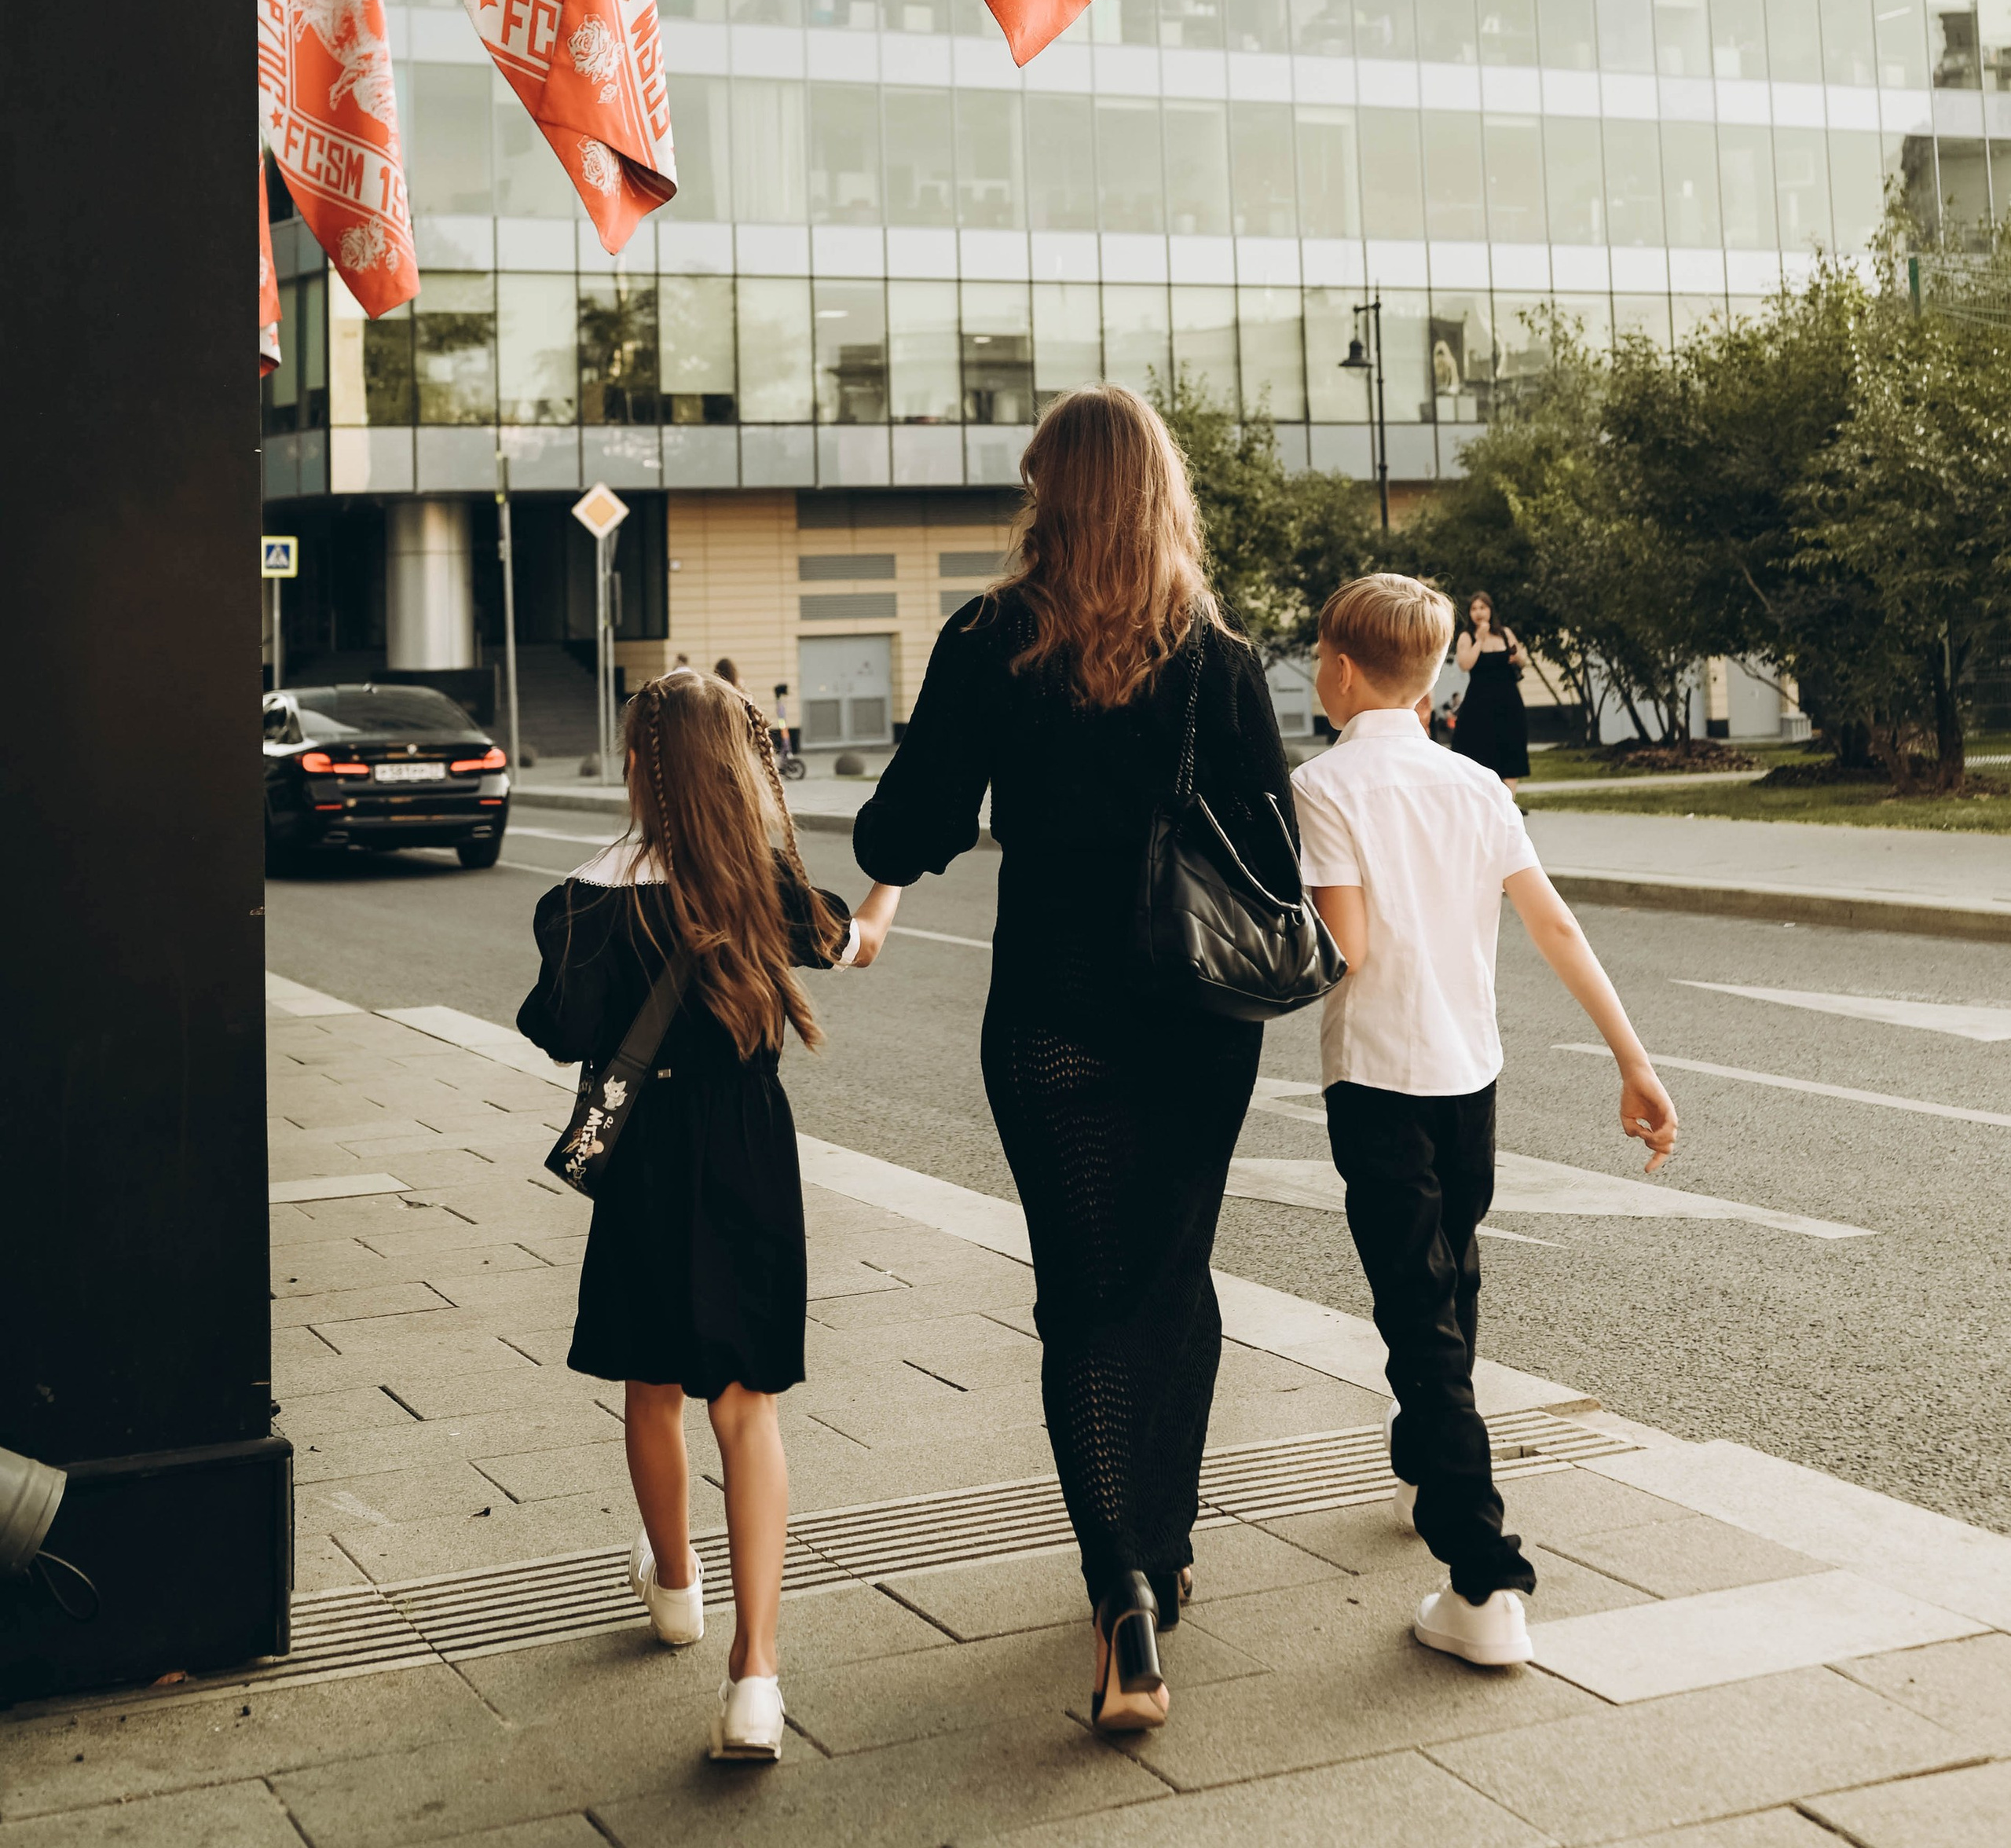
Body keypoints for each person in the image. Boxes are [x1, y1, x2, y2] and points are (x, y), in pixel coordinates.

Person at [852, 385, 1295, 1736]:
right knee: (1171, 1277)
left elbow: (909, 822)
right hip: (1198, 1024)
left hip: (1050, 1017)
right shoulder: (1219, 658)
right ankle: (1162, 1545)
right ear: (1163, 493)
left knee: (1080, 1301)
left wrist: (881, 862)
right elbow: (1273, 860)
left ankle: (1123, 1596)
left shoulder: (991, 640)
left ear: (1050, 492)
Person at [516, 669, 902, 1762]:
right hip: (743, 1143)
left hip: (642, 1155)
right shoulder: (761, 880)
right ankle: (756, 1678)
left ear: (639, 764)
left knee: (650, 1381)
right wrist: (893, 885)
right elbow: (855, 942)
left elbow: (556, 1025)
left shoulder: (585, 892)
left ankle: (676, 1586)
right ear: (733, 765)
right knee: (748, 1403)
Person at [1294, 574, 1677, 1670]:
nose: (1318, 667)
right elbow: (1550, 920)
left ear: (1345, 667)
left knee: (1421, 1316)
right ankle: (1425, 1459)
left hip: (1376, 1078)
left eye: (1321, 652)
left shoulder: (1322, 783)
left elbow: (1346, 948)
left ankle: (1484, 1577)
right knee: (1450, 1278)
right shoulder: (1473, 783)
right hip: (1472, 1077)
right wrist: (1632, 1058)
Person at [1452, 591, 1529, 788]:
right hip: (1479, 703)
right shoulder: (1467, 636)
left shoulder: (1505, 633)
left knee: (1511, 752)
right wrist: (1479, 639)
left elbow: (1523, 659)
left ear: (1490, 610)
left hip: (1508, 701)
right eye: (1474, 608)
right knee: (1479, 752)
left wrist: (1517, 658)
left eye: (1483, 608)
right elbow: (1465, 664)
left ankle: (1510, 805)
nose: (1478, 613)